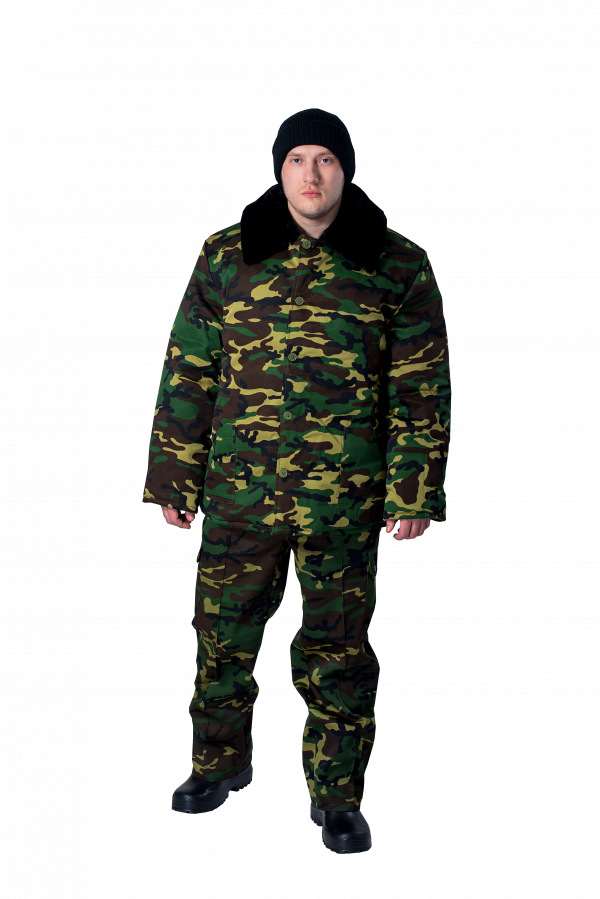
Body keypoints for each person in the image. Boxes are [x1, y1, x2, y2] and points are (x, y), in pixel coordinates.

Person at [141, 107, 451, 853]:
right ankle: (217, 766)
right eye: (297, 160)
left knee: (339, 651)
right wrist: (173, 478)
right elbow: (189, 369)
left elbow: (420, 387)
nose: (312, 175)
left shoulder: (397, 262)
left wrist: (414, 491)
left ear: (346, 170)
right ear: (279, 170)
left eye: (326, 160)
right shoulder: (227, 255)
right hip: (237, 495)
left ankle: (337, 797)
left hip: (345, 500)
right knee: (221, 637)